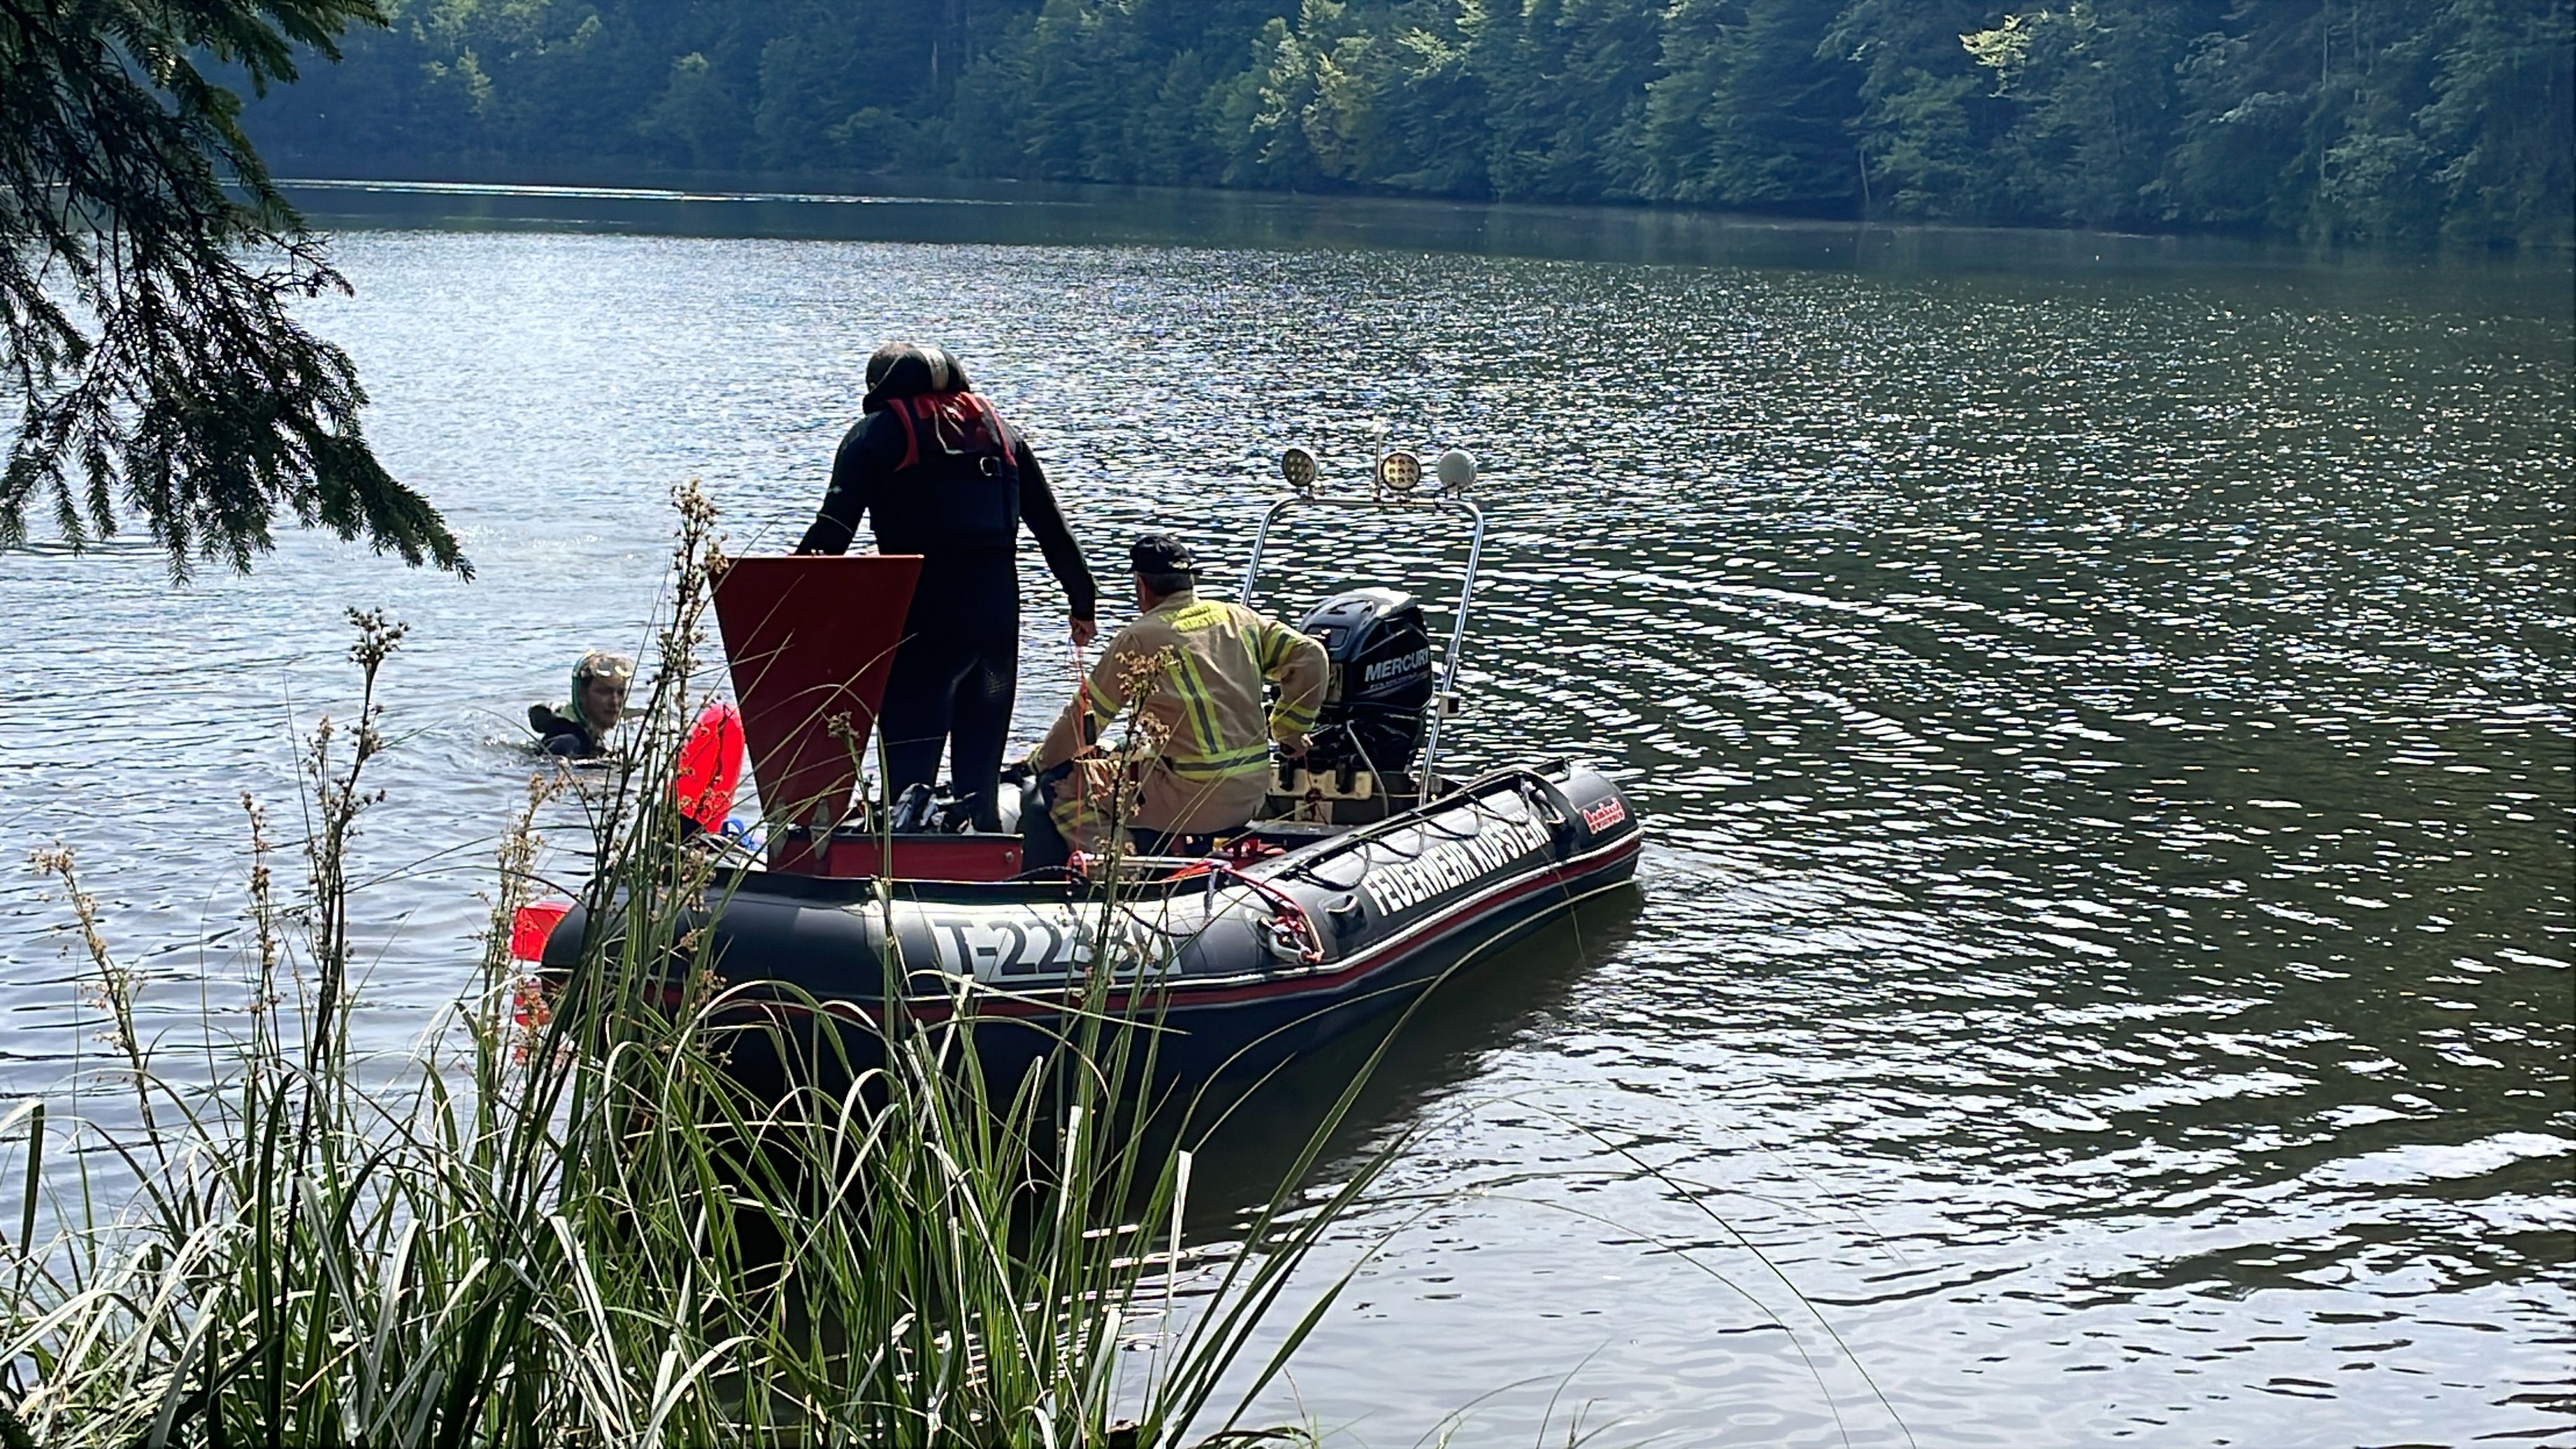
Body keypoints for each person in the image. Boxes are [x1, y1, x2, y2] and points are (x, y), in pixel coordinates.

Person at [795, 342, 1096, 830]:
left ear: (877, 388)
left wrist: (788, 608)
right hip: (997, 626)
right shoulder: (1003, 435)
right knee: (978, 780)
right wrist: (1082, 602)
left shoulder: (875, 435)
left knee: (909, 786)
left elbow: (831, 535)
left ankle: (905, 880)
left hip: (923, 624)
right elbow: (1054, 531)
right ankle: (986, 870)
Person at [1024, 534, 1328, 866]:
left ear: (1141, 585)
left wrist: (1039, 762)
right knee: (1122, 752)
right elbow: (1311, 655)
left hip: (1194, 800)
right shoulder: (1238, 619)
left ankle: (1115, 873)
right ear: (1189, 580)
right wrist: (1287, 729)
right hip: (1253, 794)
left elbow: (1083, 724)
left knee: (1065, 785)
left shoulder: (1138, 638)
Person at [528, 649, 633, 758]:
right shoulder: (569, 744)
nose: (615, 701)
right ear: (581, 695)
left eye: (621, 692)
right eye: (604, 692)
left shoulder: (586, 739)